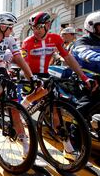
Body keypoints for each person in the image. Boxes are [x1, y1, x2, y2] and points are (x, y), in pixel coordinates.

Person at [21, 11, 93, 160]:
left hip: (46, 76)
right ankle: (23, 110)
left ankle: (68, 147)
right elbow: (23, 63)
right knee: (35, 101)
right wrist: (32, 79)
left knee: (55, 111)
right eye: (33, 28)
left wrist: (84, 77)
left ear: (48, 25)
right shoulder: (28, 41)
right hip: (30, 76)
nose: (36, 31)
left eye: (39, 27)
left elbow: (68, 58)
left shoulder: (55, 39)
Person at [0, 11, 36, 157]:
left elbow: (19, 59)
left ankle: (25, 145)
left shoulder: (9, 40)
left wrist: (31, 77)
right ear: (2, 26)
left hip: (2, 71)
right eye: (10, 27)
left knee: (15, 108)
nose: (12, 31)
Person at [72, 11, 100, 116]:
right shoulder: (82, 41)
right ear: (92, 26)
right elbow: (85, 54)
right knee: (86, 104)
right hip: (84, 77)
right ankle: (75, 131)